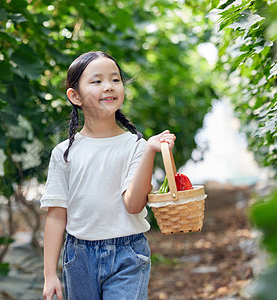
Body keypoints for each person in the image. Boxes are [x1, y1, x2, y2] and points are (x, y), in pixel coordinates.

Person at [41, 51, 176, 300]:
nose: (108, 87)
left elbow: (134, 205)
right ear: (75, 96)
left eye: (115, 79)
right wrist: (50, 274)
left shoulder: (135, 146)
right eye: (97, 81)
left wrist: (149, 151)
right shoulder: (64, 153)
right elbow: (57, 215)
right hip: (78, 256)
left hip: (128, 254)